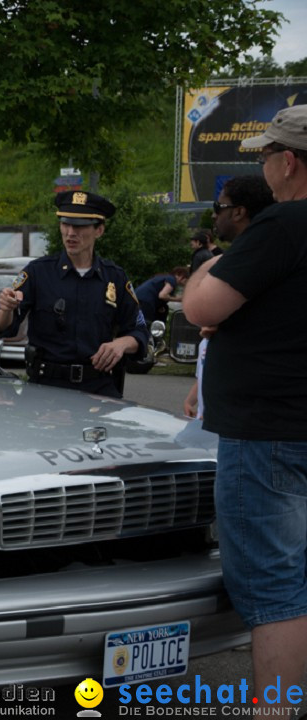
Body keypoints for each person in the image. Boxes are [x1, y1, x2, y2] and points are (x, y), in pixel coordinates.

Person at [181, 104, 307, 709]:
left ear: (288, 162)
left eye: (264, 155)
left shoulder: (282, 225)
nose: (262, 165)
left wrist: (206, 272)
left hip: (270, 433)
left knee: (276, 589)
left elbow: (201, 308)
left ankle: (277, 708)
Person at [0, 191, 146, 398]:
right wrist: (6, 309)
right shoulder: (37, 272)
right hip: (45, 390)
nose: (71, 232)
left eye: (80, 226)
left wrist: (121, 344)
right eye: (66, 224)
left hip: (98, 389)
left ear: (99, 230)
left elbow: (139, 331)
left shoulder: (115, 278)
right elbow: (2, 328)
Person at [182, 175, 274, 420]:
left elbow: (195, 310)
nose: (213, 215)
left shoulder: (244, 260)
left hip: (247, 415)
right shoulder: (268, 253)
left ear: (239, 212)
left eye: (218, 207)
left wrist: (211, 264)